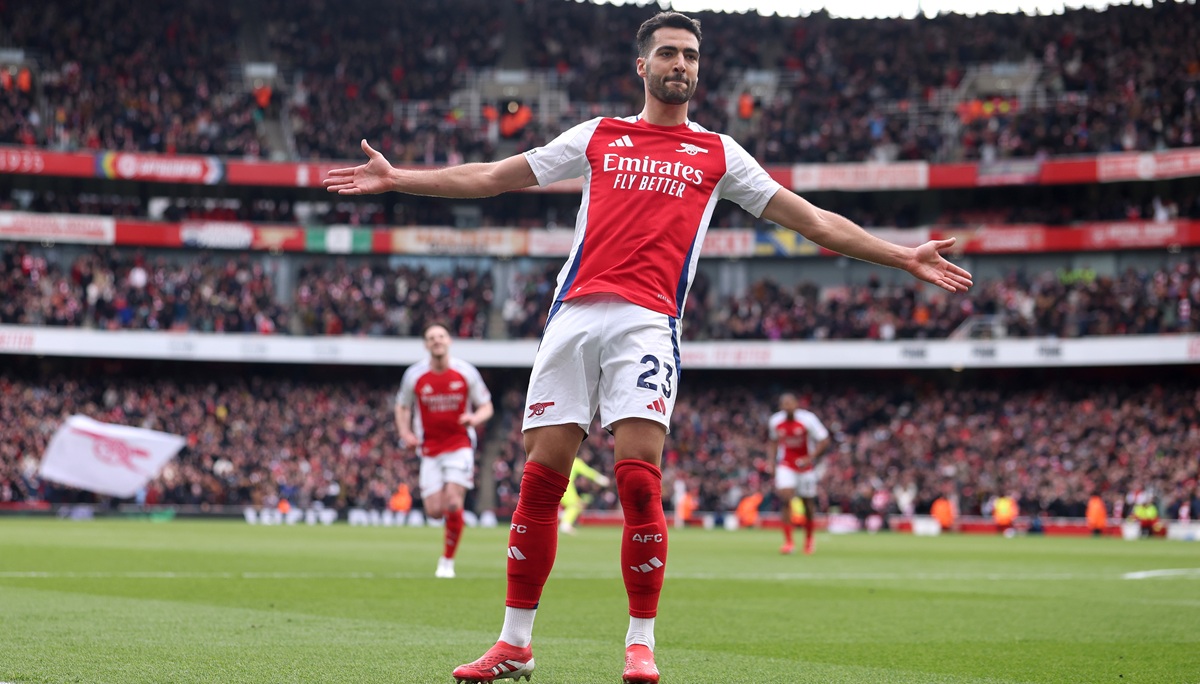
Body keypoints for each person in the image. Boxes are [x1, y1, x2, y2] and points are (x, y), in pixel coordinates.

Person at [325, 11, 972, 683]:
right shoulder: (599, 135)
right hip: (571, 318)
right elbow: (495, 176)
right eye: (668, 54)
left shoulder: (720, 154)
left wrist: (902, 256)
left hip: (647, 322)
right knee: (539, 484)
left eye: (691, 55)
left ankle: (640, 642)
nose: (681, 65)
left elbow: (810, 220)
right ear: (643, 65)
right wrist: (401, 179)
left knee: (637, 477)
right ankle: (515, 643)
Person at [395, 323, 494, 579]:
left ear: (449, 341)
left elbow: (486, 406)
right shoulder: (414, 375)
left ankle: (447, 561)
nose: (436, 341)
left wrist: (474, 418)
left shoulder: (465, 372)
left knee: (452, 501)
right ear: (426, 345)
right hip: (429, 448)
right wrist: (406, 432)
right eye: (431, 338)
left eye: (441, 336)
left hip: (459, 445)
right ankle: (450, 537)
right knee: (434, 511)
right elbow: (402, 406)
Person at [767, 393, 830, 555]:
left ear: (796, 404)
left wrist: (810, 458)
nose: (788, 406)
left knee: (807, 503)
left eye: (790, 403)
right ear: (781, 406)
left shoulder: (808, 419)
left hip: (805, 468)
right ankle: (789, 542)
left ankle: (809, 539)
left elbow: (824, 440)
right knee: (785, 498)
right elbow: (773, 442)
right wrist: (771, 463)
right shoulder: (775, 421)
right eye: (784, 404)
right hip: (785, 465)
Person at [559, 455, 612, 534]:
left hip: (556, 482)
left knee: (576, 504)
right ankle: (565, 523)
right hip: (566, 484)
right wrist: (600, 479)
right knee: (576, 505)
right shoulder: (575, 461)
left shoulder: (562, 459)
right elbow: (587, 471)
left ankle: (564, 518)